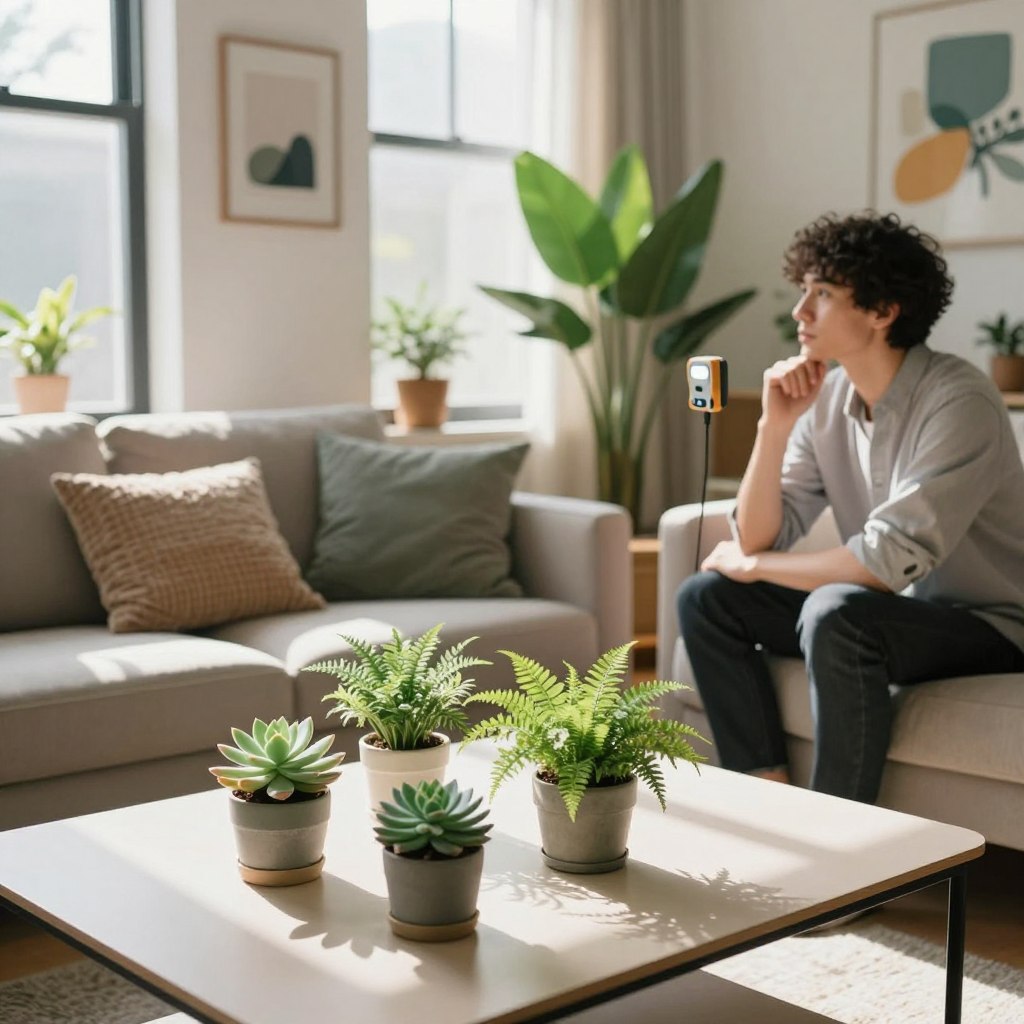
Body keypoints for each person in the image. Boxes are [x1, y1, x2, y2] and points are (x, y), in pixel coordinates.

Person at [676, 211, 1024, 804]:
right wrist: (773, 426)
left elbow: (880, 565)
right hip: (891, 614)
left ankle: (844, 845)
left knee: (837, 611)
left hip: (990, 624)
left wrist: (755, 567)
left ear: (883, 311)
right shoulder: (830, 396)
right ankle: (768, 797)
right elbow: (762, 536)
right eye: (803, 290)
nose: (800, 311)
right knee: (707, 597)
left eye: (824, 293)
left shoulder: (959, 401)